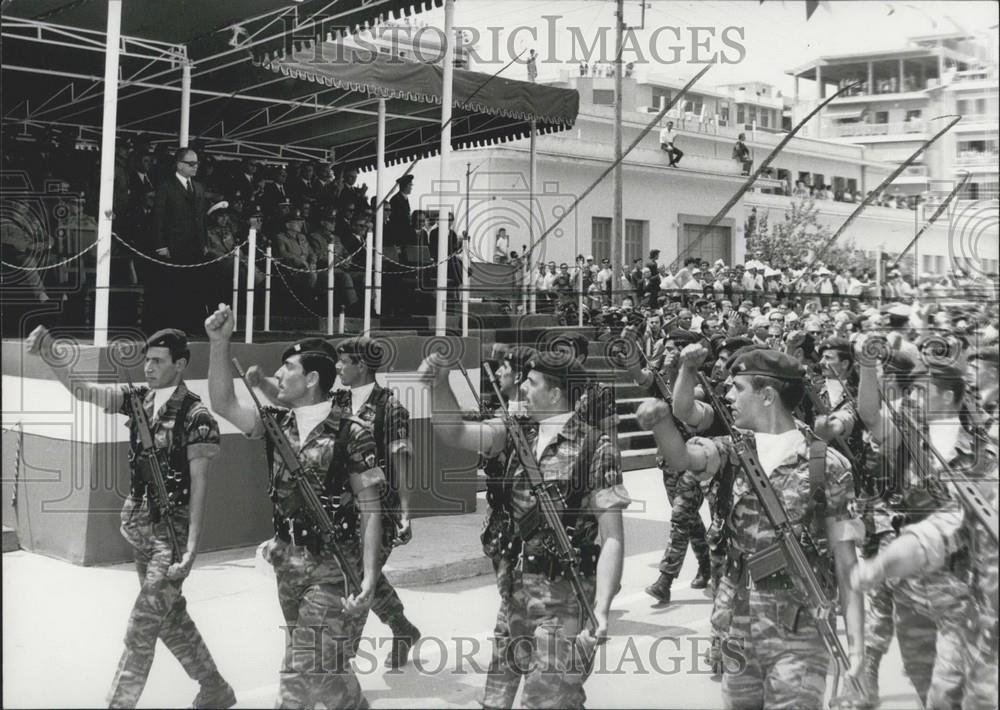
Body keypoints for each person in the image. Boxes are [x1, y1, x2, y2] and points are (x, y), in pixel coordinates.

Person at [637, 345, 865, 709]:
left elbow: (847, 564)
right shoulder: (732, 451)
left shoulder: (829, 465)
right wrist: (661, 422)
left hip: (800, 627)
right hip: (738, 623)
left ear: (767, 395)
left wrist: (857, 647)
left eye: (738, 388)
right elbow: (683, 457)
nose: (728, 395)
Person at [25, 326, 236, 710]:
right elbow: (87, 392)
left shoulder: (196, 416)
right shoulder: (139, 399)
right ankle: (215, 688)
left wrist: (190, 550)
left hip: (171, 536)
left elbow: (200, 485)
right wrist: (52, 354)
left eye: (158, 361)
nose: (149, 367)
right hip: (141, 527)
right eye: (147, 360)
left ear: (180, 364)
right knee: (169, 618)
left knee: (141, 627)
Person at [421, 348, 629, 709]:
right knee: (495, 700)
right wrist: (439, 384)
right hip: (515, 592)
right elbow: (453, 433)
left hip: (564, 597)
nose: (522, 388)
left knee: (549, 700)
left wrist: (603, 608)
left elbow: (612, 536)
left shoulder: (596, 446)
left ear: (555, 393)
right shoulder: (516, 434)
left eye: (532, 383)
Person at [205, 308, 383, 708]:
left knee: (298, 676)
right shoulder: (277, 425)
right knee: (326, 671)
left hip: (331, 569)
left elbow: (371, 508)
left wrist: (369, 578)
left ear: (312, 379)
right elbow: (222, 403)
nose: (279, 375)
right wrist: (220, 344)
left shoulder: (351, 434)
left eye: (288, 368)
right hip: (287, 562)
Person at [151, 147, 209, 333]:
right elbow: (158, 217)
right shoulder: (166, 187)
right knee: (174, 286)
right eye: (191, 163)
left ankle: (191, 324)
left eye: (197, 163)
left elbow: (202, 218)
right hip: (174, 245)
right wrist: (160, 244)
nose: (195, 167)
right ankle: (173, 325)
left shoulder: (199, 188)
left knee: (194, 286)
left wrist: (204, 243)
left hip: (195, 246)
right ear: (179, 165)